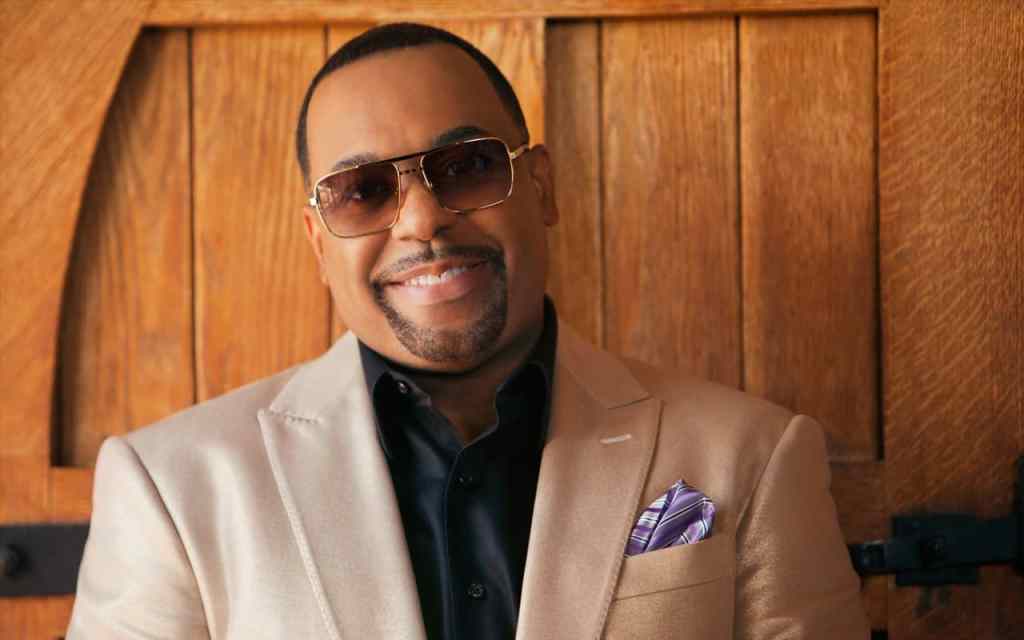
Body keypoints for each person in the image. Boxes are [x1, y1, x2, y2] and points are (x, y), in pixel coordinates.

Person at [67, 23, 869, 640]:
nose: (422, 220)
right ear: (317, 241)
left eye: (467, 167)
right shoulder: (171, 488)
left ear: (541, 186)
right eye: (362, 190)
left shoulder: (751, 455)